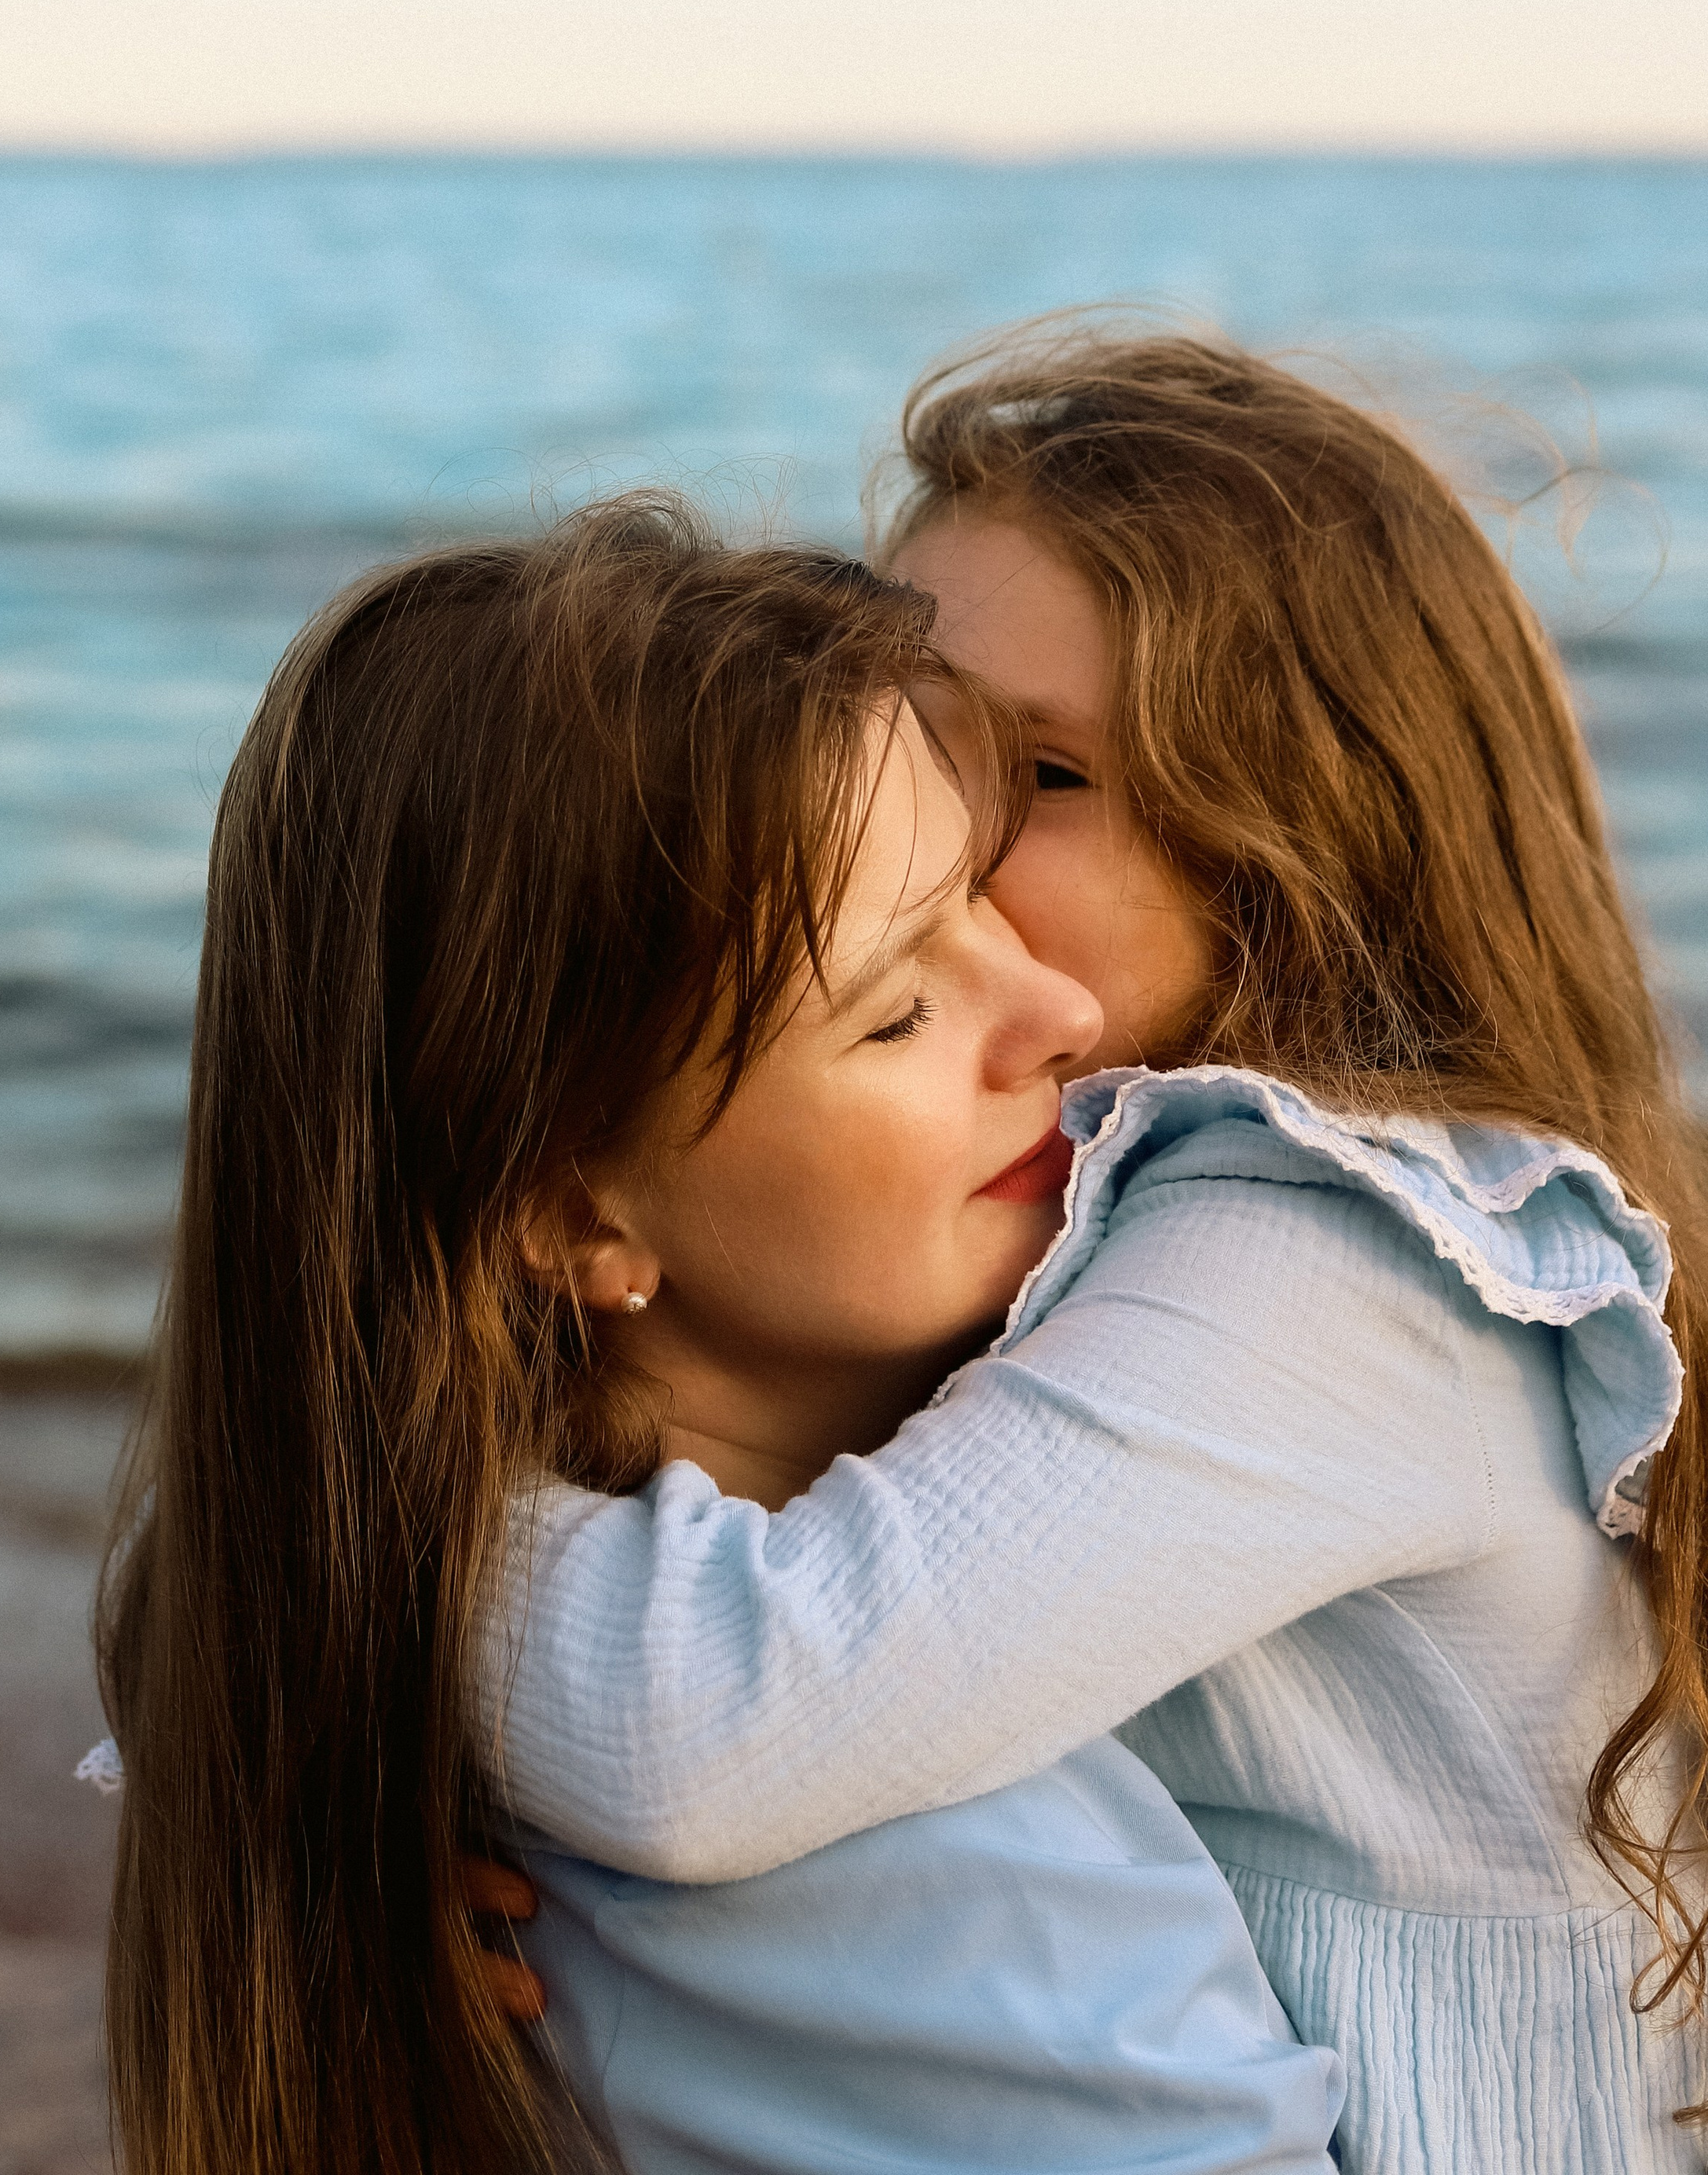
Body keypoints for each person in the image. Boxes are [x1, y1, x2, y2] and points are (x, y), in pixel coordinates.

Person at [478, 329, 1703, 2172]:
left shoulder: (1333, 1251)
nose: (915, 818)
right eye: (908, 726)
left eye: (1034, 773)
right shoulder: (1055, 1203)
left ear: (1301, 845)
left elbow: (713, 1727)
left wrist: (286, 1605)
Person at [89, 496, 1345, 2175]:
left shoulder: (369, 1663)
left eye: (987, 898)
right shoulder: (929, 1858)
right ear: (569, 1212)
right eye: (895, 1006)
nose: (1056, 1014)